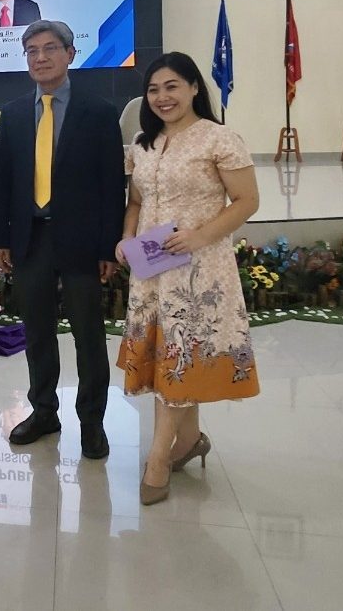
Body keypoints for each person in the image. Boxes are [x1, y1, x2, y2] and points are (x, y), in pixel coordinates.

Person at [115, 52, 260, 505]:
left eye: (172, 86)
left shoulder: (219, 138)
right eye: (154, 89)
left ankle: (159, 459)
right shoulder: (143, 143)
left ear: (195, 87)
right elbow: (136, 202)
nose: (162, 97)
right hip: (153, 267)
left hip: (200, 272)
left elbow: (246, 200)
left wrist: (198, 237)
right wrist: (126, 238)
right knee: (171, 355)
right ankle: (191, 439)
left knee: (178, 357)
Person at [0, 20, 124, 457]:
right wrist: (2, 237)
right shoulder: (13, 113)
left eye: (49, 48)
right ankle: (44, 411)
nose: (40, 57)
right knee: (37, 334)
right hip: (31, 238)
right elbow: (4, 181)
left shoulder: (98, 111)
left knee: (88, 336)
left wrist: (108, 246)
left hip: (82, 240)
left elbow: (111, 184)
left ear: (70, 53)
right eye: (31, 51)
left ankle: (92, 422)